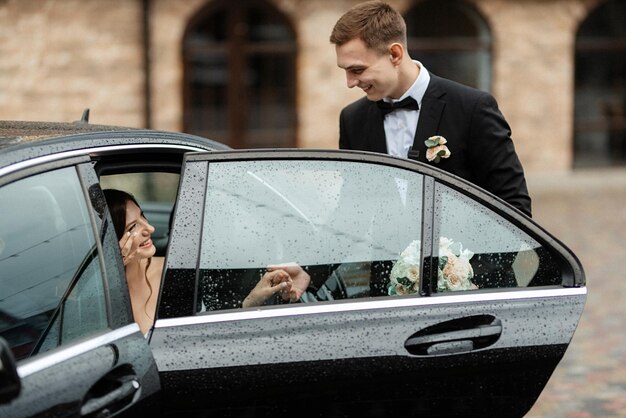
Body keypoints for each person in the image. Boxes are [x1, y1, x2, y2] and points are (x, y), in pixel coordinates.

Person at [330, 1, 532, 217]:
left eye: (357, 70)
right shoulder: (352, 119)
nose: (350, 82)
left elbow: (515, 209)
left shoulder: (472, 108)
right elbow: (351, 213)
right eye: (345, 71)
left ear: (395, 54)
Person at [103, 189, 309, 335]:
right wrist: (113, 268)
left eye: (143, 217)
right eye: (132, 228)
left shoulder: (175, 272)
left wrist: (251, 302)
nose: (149, 228)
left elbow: (208, 337)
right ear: (112, 239)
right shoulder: (97, 293)